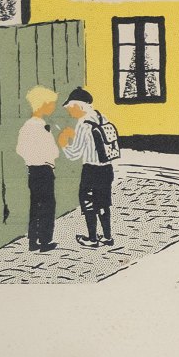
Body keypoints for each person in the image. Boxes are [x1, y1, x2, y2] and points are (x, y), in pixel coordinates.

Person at [58, 87, 117, 247]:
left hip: (91, 170)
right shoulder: (101, 117)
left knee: (88, 202)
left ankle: (92, 239)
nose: (70, 112)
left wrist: (63, 142)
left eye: (71, 108)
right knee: (104, 203)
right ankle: (107, 237)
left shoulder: (83, 124)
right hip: (107, 168)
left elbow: (74, 154)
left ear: (79, 105)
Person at [15, 85, 60, 252]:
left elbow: (20, 149)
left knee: (36, 206)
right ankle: (45, 241)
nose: (53, 107)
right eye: (51, 103)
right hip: (44, 170)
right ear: (43, 104)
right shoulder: (39, 126)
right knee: (47, 206)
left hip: (33, 171)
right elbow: (52, 151)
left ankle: (33, 241)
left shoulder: (28, 125)